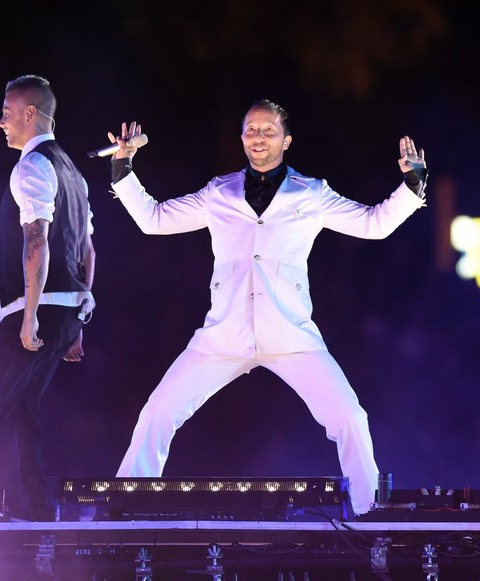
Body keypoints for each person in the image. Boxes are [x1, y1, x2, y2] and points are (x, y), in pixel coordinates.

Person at [105, 99, 427, 516]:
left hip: (292, 335)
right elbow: (154, 219)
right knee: (157, 412)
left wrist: (413, 184)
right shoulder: (218, 192)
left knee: (349, 417)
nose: (259, 137)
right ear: (242, 138)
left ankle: (370, 514)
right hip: (222, 336)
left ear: (286, 140)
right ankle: (128, 503)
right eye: (251, 130)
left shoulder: (311, 192)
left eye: (268, 130)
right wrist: (123, 168)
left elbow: (374, 224)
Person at [0, 75, 96, 521]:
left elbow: (37, 242)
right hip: (65, 314)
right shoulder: (73, 173)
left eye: (7, 114)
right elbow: (87, 251)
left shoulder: (33, 165)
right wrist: (77, 319)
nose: (1, 122)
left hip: (36, 311)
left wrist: (29, 316)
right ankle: (36, 513)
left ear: (30, 114)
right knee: (22, 413)